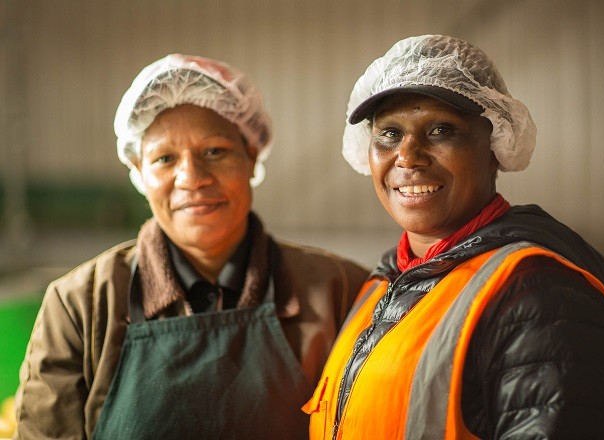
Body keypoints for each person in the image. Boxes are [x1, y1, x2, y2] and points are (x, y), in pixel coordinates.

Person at [13, 54, 369, 439]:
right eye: (165, 158)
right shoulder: (81, 306)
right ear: (139, 172)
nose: (192, 178)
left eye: (214, 151)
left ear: (251, 156)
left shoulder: (341, 289)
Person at [303, 35, 604, 439]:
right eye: (389, 133)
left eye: (442, 130)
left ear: (495, 145)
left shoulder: (539, 293)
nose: (408, 156)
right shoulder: (384, 283)